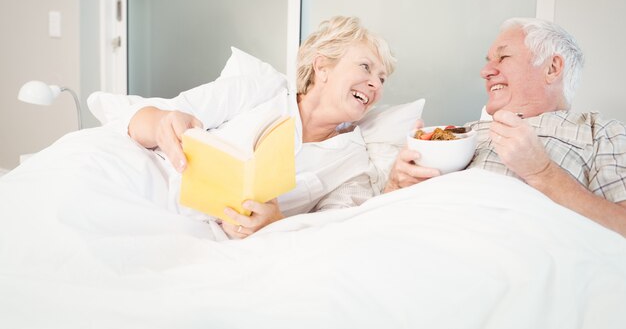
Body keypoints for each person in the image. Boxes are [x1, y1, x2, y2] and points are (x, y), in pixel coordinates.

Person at [127, 16, 396, 239]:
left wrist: (276, 224)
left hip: (217, 249)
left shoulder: (355, 164)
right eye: (365, 67)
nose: (376, 84)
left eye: (382, 79)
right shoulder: (263, 91)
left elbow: (332, 236)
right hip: (147, 200)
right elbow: (136, 122)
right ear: (322, 67)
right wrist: (162, 123)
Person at [385, 17, 626, 237]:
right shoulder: (463, 133)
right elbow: (385, 214)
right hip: (425, 231)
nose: (485, 72)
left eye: (504, 57)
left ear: (552, 68)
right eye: (489, 61)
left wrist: (543, 172)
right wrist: (396, 185)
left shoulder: (601, 133)